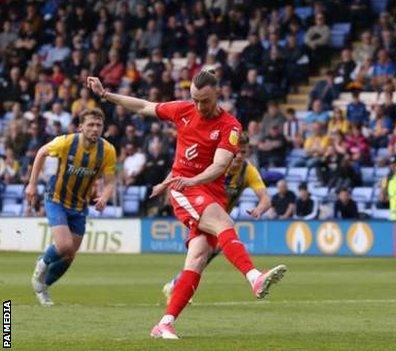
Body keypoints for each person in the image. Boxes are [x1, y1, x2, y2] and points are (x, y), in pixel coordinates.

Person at [86, 69, 286, 340]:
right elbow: (144, 105)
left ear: (217, 94)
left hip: (208, 191)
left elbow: (218, 167)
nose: (198, 105)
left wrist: (194, 182)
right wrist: (106, 95)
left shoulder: (231, 127)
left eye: (204, 100)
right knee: (224, 223)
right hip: (183, 190)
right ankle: (254, 277)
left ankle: (164, 324)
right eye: (194, 99)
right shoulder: (183, 110)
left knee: (198, 259)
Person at [161, 134, 271, 304]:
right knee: (202, 254)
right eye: (236, 152)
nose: (239, 156)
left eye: (243, 152)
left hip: (219, 221)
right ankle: (177, 290)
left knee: (202, 256)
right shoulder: (215, 164)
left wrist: (259, 209)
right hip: (200, 212)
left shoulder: (248, 171)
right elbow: (182, 170)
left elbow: (265, 198)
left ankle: (176, 286)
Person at [27, 108, 117, 306]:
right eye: (90, 125)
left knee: (69, 256)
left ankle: (42, 286)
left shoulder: (108, 150)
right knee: (65, 245)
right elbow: (41, 152)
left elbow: (110, 181)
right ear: (80, 127)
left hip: (79, 205)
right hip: (56, 199)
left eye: (98, 125)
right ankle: (41, 263)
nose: (95, 129)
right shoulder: (66, 142)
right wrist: (32, 184)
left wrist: (105, 196)